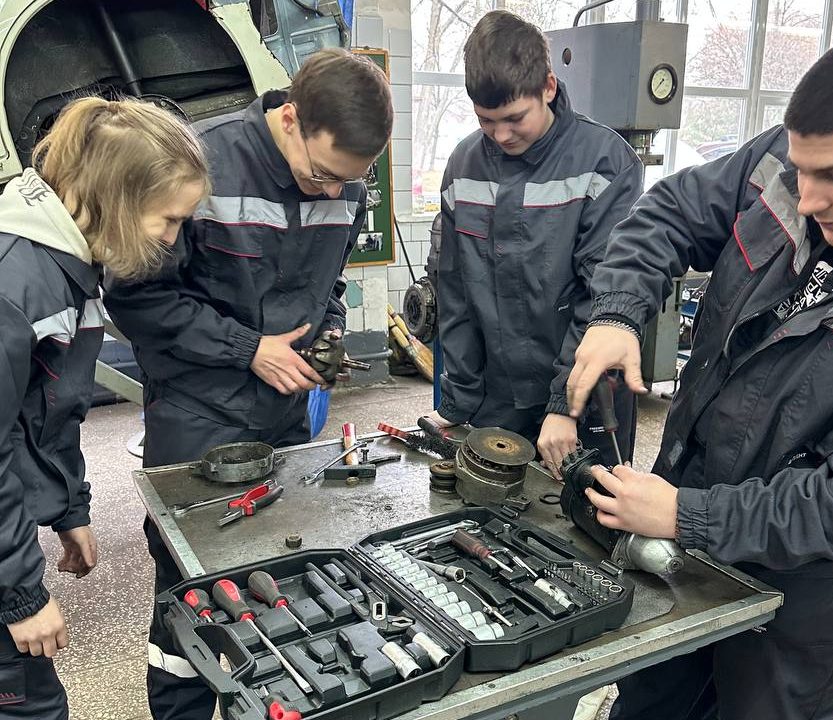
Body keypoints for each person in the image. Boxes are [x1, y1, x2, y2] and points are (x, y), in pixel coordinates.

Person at [565, 29, 833, 719]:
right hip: (677, 523)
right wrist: (618, 314)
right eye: (800, 169)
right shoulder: (790, 161)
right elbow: (669, 211)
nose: (806, 198)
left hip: (790, 599)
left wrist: (690, 515)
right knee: (649, 697)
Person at [103, 48, 392, 720]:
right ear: (289, 118)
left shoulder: (344, 182)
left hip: (286, 421)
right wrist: (247, 349)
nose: (331, 193)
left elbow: (330, 284)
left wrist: (326, 338)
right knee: (189, 595)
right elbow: (135, 298)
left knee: (279, 587)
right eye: (321, 174)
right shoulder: (196, 167)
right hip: (198, 420)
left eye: (347, 182)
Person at [0, 97, 208, 720]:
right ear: (117, 197)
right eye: (167, 220)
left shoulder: (67, 264)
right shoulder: (16, 283)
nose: (173, 241)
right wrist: (18, 596)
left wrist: (68, 507)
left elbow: (44, 410)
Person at [427, 11, 643, 475]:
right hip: (496, 400)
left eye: (513, 118)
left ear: (547, 86)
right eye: (487, 121)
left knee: (587, 531)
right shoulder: (464, 164)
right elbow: (455, 290)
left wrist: (566, 404)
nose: (501, 135)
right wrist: (458, 401)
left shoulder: (607, 164)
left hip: (587, 402)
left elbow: (603, 299)